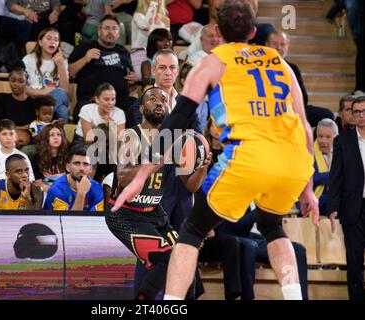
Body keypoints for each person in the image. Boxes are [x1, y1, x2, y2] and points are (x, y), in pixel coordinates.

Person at [112, 0, 319, 300]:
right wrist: (308, 188)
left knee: (192, 231)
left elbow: (177, 119)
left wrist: (142, 174)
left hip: (249, 156)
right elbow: (305, 125)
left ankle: (171, 304)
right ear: (252, 31)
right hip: (293, 160)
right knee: (273, 227)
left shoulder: (213, 61)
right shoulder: (280, 62)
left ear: (218, 32)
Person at [106, 86, 211, 299]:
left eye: (163, 98)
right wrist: (160, 158)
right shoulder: (130, 136)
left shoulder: (174, 140)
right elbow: (125, 177)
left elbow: (190, 186)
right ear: (142, 107)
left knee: (185, 258)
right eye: (152, 99)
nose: (159, 101)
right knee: (165, 259)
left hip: (154, 211)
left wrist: (202, 167)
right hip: (126, 213)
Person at [327, 95, 365, 300]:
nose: (360, 116)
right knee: (354, 258)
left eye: (364, 111)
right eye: (356, 111)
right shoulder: (342, 141)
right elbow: (336, 176)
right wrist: (332, 206)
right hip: (353, 208)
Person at [68, 15, 137, 118]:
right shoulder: (85, 46)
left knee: (136, 106)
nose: (110, 32)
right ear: (99, 31)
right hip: (91, 100)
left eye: (114, 28)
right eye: (106, 28)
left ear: (118, 33)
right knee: (82, 109)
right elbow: (69, 73)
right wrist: (85, 59)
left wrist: (133, 78)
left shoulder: (123, 51)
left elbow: (131, 78)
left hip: (119, 101)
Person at [266, 31, 334, 127]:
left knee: (326, 115)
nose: (279, 48)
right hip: (268, 110)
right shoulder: (260, 67)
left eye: (282, 44)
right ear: (267, 45)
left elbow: (304, 98)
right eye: (275, 44)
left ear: (287, 47)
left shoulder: (293, 68)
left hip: (291, 109)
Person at [23, 27, 70, 122]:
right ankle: (50, 127)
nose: (53, 42)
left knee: (62, 106)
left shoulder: (62, 61)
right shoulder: (28, 59)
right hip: (34, 99)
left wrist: (60, 65)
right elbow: (23, 89)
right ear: (40, 42)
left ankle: (43, 124)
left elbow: (65, 92)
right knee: (62, 109)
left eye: (56, 40)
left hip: (53, 99)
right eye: (49, 38)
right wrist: (43, 92)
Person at [0, 119, 35, 192]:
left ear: (16, 136)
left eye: (11, 134)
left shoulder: (23, 157)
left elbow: (30, 181)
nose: (8, 137)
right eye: (4, 134)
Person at [44, 145, 104, 211]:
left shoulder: (98, 189)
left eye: (85, 164)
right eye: (77, 163)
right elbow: (69, 221)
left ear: (91, 169)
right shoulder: (56, 189)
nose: (81, 168)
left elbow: (94, 220)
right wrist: (81, 193)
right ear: (68, 167)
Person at [312, 118, 338, 219]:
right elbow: (312, 178)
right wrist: (336, 174)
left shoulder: (342, 153)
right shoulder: (308, 153)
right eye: (320, 136)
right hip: (317, 200)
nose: (323, 141)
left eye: (328, 137)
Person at [33, 123, 68, 193]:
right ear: (45, 138)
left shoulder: (67, 157)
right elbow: (38, 183)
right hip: (46, 193)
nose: (56, 137)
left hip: (65, 193)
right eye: (52, 135)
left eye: (59, 134)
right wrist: (54, 192)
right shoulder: (36, 159)